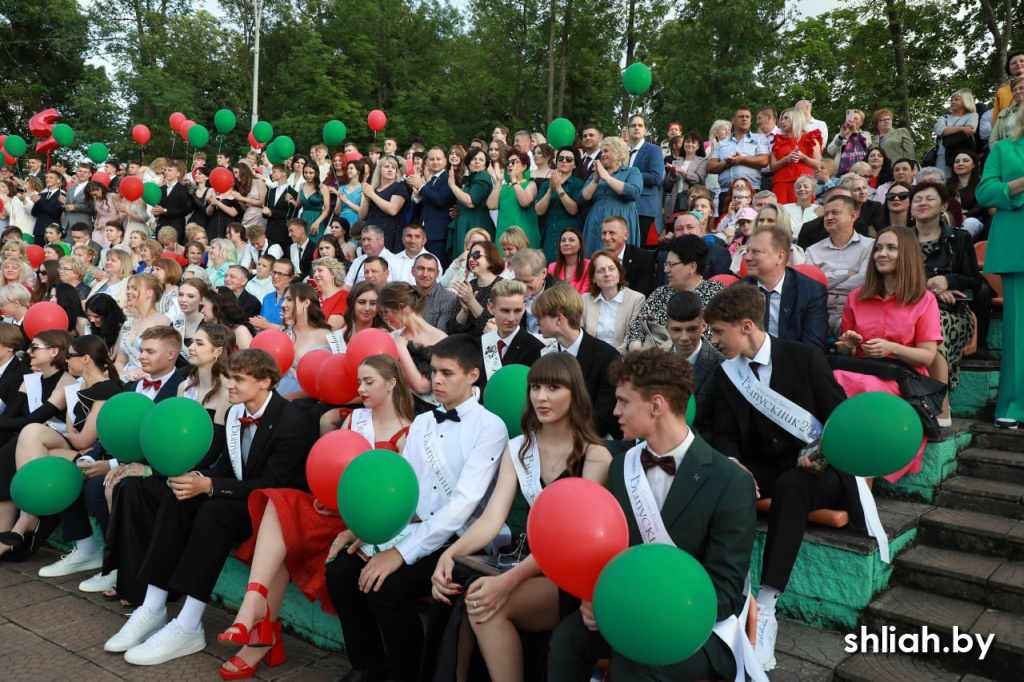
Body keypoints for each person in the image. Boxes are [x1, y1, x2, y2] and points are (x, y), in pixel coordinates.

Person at [548, 348, 757, 682]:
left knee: (636, 666)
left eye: (623, 402)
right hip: (624, 610)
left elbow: (725, 593)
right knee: (566, 639)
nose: (614, 411)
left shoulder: (730, 482)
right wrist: (596, 600)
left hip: (695, 626)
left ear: (657, 405)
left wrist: (627, 610)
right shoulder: (620, 466)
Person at [102, 349, 314, 666]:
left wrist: (211, 486)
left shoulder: (293, 421)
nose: (229, 385)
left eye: (239, 380)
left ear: (266, 382)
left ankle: (189, 624)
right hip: (243, 497)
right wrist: (198, 478)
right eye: (229, 377)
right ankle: (153, 605)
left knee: (213, 512)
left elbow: (273, 484)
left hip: (276, 513)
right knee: (180, 493)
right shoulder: (233, 413)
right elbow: (228, 469)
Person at [704, 284, 870, 673]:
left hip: (819, 471)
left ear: (746, 326)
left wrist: (822, 454)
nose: (712, 341)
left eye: (718, 332)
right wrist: (732, 461)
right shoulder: (729, 374)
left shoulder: (806, 358)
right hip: (764, 463)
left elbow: (840, 420)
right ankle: (728, 591)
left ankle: (765, 604)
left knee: (792, 485)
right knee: (727, 478)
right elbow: (724, 432)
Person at [324, 334, 507, 682]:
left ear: (472, 375)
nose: (436, 380)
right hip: (413, 527)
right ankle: (369, 669)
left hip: (462, 542)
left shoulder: (490, 427)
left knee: (386, 587)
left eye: (447, 373)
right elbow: (403, 490)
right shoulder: (423, 421)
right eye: (434, 371)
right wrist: (366, 528)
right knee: (340, 571)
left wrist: (399, 554)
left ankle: (410, 674)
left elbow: (463, 505)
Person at [228, 355, 414, 679]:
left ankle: (259, 629)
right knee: (280, 503)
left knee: (285, 539)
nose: (360, 389)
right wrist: (323, 499)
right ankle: (253, 602)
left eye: (368, 382)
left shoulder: (409, 432)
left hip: (363, 525)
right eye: (358, 382)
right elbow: (331, 469)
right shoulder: (353, 419)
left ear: (392, 382)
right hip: (331, 512)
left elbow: (397, 497)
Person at [431, 353, 612, 682]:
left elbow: (572, 540)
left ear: (575, 393)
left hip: (567, 574)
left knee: (487, 605)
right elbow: (492, 519)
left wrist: (507, 582)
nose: (541, 397)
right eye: (536, 387)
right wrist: (449, 553)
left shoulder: (594, 455)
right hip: (526, 560)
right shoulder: (519, 449)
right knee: (469, 600)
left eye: (554, 387)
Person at [100, 324, 232, 606]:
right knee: (128, 489)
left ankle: (158, 585)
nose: (192, 348)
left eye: (199, 343)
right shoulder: (186, 385)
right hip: (173, 468)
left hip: (199, 473)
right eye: (191, 342)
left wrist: (153, 470)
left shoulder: (225, 391)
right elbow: (168, 437)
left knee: (142, 489)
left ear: (218, 351)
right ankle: (131, 581)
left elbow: (212, 450)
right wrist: (143, 466)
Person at [832, 226, 942, 475]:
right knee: (833, 378)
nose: (882, 253)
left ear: (907, 255)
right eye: (878, 248)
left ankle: (859, 464)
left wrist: (891, 348)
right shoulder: (856, 297)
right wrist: (848, 346)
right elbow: (846, 356)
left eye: (891, 248)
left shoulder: (924, 299)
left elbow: (927, 356)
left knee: (867, 387)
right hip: (860, 370)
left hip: (904, 378)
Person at [910, 181, 983, 424]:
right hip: (908, 309)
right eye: (917, 199)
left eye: (929, 199)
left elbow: (974, 281)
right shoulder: (901, 239)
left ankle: (939, 406)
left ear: (943, 206)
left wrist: (949, 280)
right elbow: (889, 277)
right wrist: (930, 289)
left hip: (951, 312)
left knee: (934, 323)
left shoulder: (960, 239)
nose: (922, 203)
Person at [977, 108, 1024, 425]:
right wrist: (1018, 185)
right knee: (1017, 332)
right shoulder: (1004, 148)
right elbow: (985, 192)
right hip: (1017, 248)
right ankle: (1012, 405)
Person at [532, 285, 621, 439]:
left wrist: (567, 437)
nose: (537, 323)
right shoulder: (544, 355)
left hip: (593, 441)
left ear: (559, 319)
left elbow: (604, 415)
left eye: (540, 317)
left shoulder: (607, 356)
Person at [627, 236, 725, 351]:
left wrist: (662, 352)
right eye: (665, 264)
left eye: (671, 265)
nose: (666, 270)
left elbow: (707, 335)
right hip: (646, 355)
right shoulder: (662, 292)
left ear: (692, 267)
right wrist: (636, 348)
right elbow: (637, 325)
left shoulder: (714, 293)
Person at [741, 225, 828, 348]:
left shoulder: (810, 291)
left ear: (780, 257)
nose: (747, 257)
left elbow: (813, 347)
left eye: (756, 252)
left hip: (792, 362)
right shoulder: (737, 291)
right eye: (747, 251)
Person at [805, 194, 876, 334]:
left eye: (835, 213)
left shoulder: (870, 245)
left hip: (858, 311)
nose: (829, 217)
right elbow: (810, 286)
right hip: (818, 312)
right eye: (826, 214)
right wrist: (846, 274)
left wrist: (826, 282)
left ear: (853, 216)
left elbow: (865, 281)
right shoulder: (812, 251)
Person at [581, 136, 643, 255]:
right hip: (596, 220)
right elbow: (583, 198)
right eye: (601, 151)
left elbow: (633, 192)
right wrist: (594, 181)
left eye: (606, 151)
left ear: (618, 151)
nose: (602, 154)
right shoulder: (596, 173)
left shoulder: (632, 172)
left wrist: (607, 178)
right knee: (593, 259)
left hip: (621, 216)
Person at [581, 249, 646, 354]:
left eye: (611, 269)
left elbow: (632, 338)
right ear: (593, 278)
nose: (607, 274)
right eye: (601, 270)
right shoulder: (584, 300)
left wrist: (609, 357)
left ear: (619, 273)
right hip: (591, 358)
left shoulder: (637, 300)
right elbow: (579, 335)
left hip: (622, 359)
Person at [479, 279, 545, 380]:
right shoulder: (480, 344)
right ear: (491, 308)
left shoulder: (536, 349)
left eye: (517, 311)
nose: (511, 318)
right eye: (505, 311)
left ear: (524, 308)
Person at [708, 108, 771, 213]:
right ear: (733, 120)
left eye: (747, 117)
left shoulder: (759, 138)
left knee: (750, 225)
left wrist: (741, 159)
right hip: (726, 191)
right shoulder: (721, 143)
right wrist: (725, 164)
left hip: (751, 189)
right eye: (741, 117)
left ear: (750, 121)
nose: (744, 119)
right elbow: (710, 167)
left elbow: (764, 160)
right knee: (726, 224)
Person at [277, 283, 333, 398]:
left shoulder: (326, 336)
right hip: (279, 395)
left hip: (307, 403)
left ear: (306, 303)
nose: (283, 304)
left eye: (289, 300)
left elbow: (327, 381)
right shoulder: (283, 335)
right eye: (284, 300)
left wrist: (288, 399)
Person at [114, 274, 173, 378]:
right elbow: (120, 360)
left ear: (149, 292)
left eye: (134, 288)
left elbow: (158, 363)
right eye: (128, 288)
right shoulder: (128, 324)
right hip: (124, 376)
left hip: (148, 377)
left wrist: (125, 374)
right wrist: (116, 374)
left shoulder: (162, 322)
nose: (128, 292)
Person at [535, 146, 584, 263]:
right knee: (549, 267)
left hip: (571, 233)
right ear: (556, 162)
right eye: (561, 158)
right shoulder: (546, 185)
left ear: (575, 165)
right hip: (550, 233)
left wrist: (558, 188)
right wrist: (550, 190)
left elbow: (573, 210)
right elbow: (539, 210)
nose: (564, 161)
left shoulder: (577, 183)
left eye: (568, 159)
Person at [447, 148, 495, 261]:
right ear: (468, 163)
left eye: (481, 160)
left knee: (473, 258)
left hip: (476, 224)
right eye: (474, 159)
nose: (477, 162)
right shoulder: (469, 179)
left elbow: (471, 202)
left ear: (486, 165)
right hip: (464, 222)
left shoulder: (483, 175)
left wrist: (452, 185)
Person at [448, 241, 504, 336]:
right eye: (470, 255)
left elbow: (493, 329)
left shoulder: (503, 287)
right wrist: (464, 311)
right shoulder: (468, 286)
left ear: (491, 258)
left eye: (476, 255)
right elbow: (452, 330)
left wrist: (471, 302)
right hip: (464, 345)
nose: (470, 259)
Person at [769, 107, 823, 204]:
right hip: (781, 181)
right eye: (781, 119)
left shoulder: (810, 138)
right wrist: (786, 159)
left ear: (796, 119)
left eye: (786, 118)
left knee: (803, 213)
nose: (782, 122)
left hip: (803, 181)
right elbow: (772, 167)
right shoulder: (778, 141)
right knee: (780, 212)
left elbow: (818, 164)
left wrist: (803, 157)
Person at [487, 148, 539, 248]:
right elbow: (491, 205)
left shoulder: (530, 184)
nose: (510, 164)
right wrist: (498, 182)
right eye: (508, 162)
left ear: (524, 167)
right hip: (504, 240)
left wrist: (514, 180)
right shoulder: (503, 188)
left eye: (514, 162)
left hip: (525, 239)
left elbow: (525, 202)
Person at [359, 155, 409, 252]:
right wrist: (366, 198)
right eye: (386, 167)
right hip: (371, 230)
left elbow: (393, 210)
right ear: (379, 170)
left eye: (393, 167)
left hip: (390, 232)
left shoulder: (399, 187)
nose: (390, 170)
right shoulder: (372, 188)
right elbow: (362, 215)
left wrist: (372, 195)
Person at [599, 214, 654, 296]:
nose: (607, 238)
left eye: (612, 233)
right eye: (604, 233)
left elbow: (642, 294)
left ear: (625, 235)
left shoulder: (642, 257)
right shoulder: (598, 259)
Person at [933, 89, 979, 174]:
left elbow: (970, 131)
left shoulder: (973, 116)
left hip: (963, 154)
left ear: (966, 101)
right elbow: (940, 131)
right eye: (951, 100)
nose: (953, 102)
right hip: (943, 154)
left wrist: (948, 130)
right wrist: (961, 128)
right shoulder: (943, 118)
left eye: (956, 99)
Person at [664, 131, 708, 215]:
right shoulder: (676, 161)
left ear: (698, 146)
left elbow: (698, 179)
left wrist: (681, 171)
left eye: (693, 142)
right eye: (687, 141)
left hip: (694, 200)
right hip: (676, 199)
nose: (690, 144)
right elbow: (667, 185)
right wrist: (672, 174)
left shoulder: (702, 161)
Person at [155, 161, 194, 243]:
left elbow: (185, 210)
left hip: (176, 227)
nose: (166, 172)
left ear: (178, 174)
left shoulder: (183, 189)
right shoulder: (161, 189)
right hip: (161, 227)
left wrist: (165, 211)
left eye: (170, 170)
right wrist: (156, 212)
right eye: (165, 170)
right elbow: (158, 206)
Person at [827, 108, 872, 175]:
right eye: (851, 118)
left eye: (856, 119)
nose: (852, 120)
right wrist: (841, 136)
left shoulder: (865, 134)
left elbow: (866, 145)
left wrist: (854, 131)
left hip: (859, 173)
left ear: (861, 123)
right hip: (841, 173)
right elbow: (830, 151)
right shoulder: (840, 135)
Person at [548, 227, 590, 295]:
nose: (566, 243)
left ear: (580, 245)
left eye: (571, 240)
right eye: (563, 240)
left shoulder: (589, 265)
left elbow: (585, 294)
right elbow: (550, 293)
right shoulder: (552, 267)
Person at [30, 169, 66, 245]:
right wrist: (36, 202)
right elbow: (34, 213)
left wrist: (39, 202)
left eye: (51, 177)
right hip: (39, 230)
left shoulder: (61, 195)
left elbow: (55, 213)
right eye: (47, 177)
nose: (48, 179)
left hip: (52, 232)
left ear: (58, 181)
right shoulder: (42, 194)